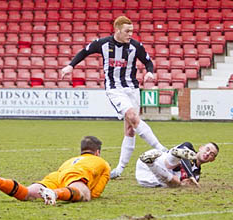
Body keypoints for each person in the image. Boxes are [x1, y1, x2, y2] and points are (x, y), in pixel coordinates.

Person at [61, 16, 166, 179]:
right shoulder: (102, 44)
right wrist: (70, 66)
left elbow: (147, 61)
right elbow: (84, 51)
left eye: (132, 31)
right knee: (132, 117)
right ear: (117, 30)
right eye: (127, 31)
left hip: (132, 89)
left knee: (130, 129)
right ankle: (162, 149)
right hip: (115, 89)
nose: (130, 34)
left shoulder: (135, 46)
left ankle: (120, 169)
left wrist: (150, 72)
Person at [0, 136, 110, 205]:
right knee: (84, 194)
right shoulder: (102, 162)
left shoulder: (71, 159)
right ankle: (55, 194)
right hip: (76, 175)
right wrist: (84, 192)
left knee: (27, 193)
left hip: (58, 175)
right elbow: (96, 193)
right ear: (97, 152)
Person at [135, 142, 219, 188]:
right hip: (158, 159)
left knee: (176, 183)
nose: (207, 153)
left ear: (212, 160)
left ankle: (149, 162)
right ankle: (175, 154)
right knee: (174, 162)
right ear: (201, 148)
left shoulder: (196, 176)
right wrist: (190, 175)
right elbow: (184, 158)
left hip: (149, 177)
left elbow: (183, 184)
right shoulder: (187, 146)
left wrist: (186, 182)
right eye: (207, 149)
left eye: (211, 154)